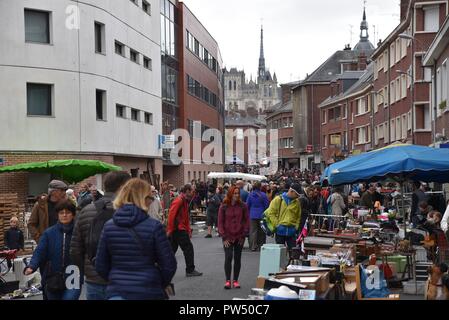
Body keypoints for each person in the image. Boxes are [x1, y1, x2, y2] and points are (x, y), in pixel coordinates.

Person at [95, 178, 177, 300]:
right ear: (142, 199)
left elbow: (101, 264)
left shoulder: (109, 226)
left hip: (117, 292)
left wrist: (115, 279)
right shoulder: (154, 227)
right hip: (148, 290)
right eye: (150, 198)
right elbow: (169, 264)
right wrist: (158, 282)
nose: (151, 202)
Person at [70, 171, 131, 300]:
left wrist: (88, 271)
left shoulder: (86, 211)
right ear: (121, 187)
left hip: (94, 280)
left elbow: (75, 249)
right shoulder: (130, 211)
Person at [25, 200, 83, 300]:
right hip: (53, 276)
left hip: (73, 275)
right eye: (61, 213)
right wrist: (32, 265)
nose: (64, 215)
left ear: (73, 215)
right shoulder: (49, 233)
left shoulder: (79, 232)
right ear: (57, 215)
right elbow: (40, 251)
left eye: (68, 212)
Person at [167, 184, 203, 277]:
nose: (193, 193)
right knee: (188, 248)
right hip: (178, 229)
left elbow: (185, 217)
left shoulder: (184, 200)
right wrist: (170, 229)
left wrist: (188, 230)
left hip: (178, 229)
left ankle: (161, 268)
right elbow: (171, 215)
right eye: (192, 191)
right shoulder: (179, 200)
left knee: (171, 251)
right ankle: (190, 270)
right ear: (187, 191)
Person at [218, 186, 250, 289]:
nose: (236, 195)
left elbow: (246, 221)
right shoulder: (223, 206)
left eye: (238, 193)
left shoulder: (243, 206)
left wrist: (244, 234)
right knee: (228, 257)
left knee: (237, 258)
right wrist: (223, 236)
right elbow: (220, 222)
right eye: (235, 193)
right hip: (227, 236)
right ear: (230, 194)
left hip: (239, 236)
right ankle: (228, 280)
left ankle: (235, 280)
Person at [264, 183, 302, 250]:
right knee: (280, 253)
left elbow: (298, 216)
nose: (298, 197)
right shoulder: (278, 199)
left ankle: (291, 260)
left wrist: (296, 227)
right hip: (280, 231)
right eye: (297, 194)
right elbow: (271, 213)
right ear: (291, 191)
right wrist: (277, 225)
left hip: (291, 231)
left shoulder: (297, 202)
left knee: (293, 252)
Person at [246, 182, 269, 251]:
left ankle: (253, 246)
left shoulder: (250, 195)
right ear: (260, 187)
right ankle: (261, 245)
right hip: (261, 214)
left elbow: (247, 205)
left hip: (252, 214)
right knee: (262, 231)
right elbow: (266, 205)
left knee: (253, 231)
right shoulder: (263, 195)